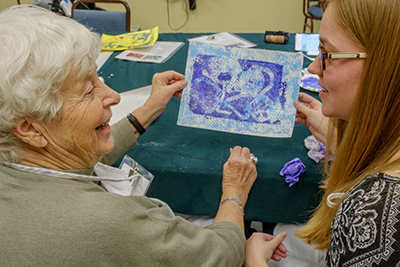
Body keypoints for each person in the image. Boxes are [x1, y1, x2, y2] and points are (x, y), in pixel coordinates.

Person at [0, 5, 286, 266]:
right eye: (88, 90)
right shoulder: (112, 223)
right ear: (29, 128)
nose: (111, 95)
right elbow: (223, 253)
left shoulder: (16, 155)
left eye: (97, 78)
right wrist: (235, 191)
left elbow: (65, 151)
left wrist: (147, 111)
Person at [246, 0, 400, 266]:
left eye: (327, 54)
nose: (313, 68)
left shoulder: (373, 214)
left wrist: (255, 262)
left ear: (382, 66)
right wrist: (339, 139)